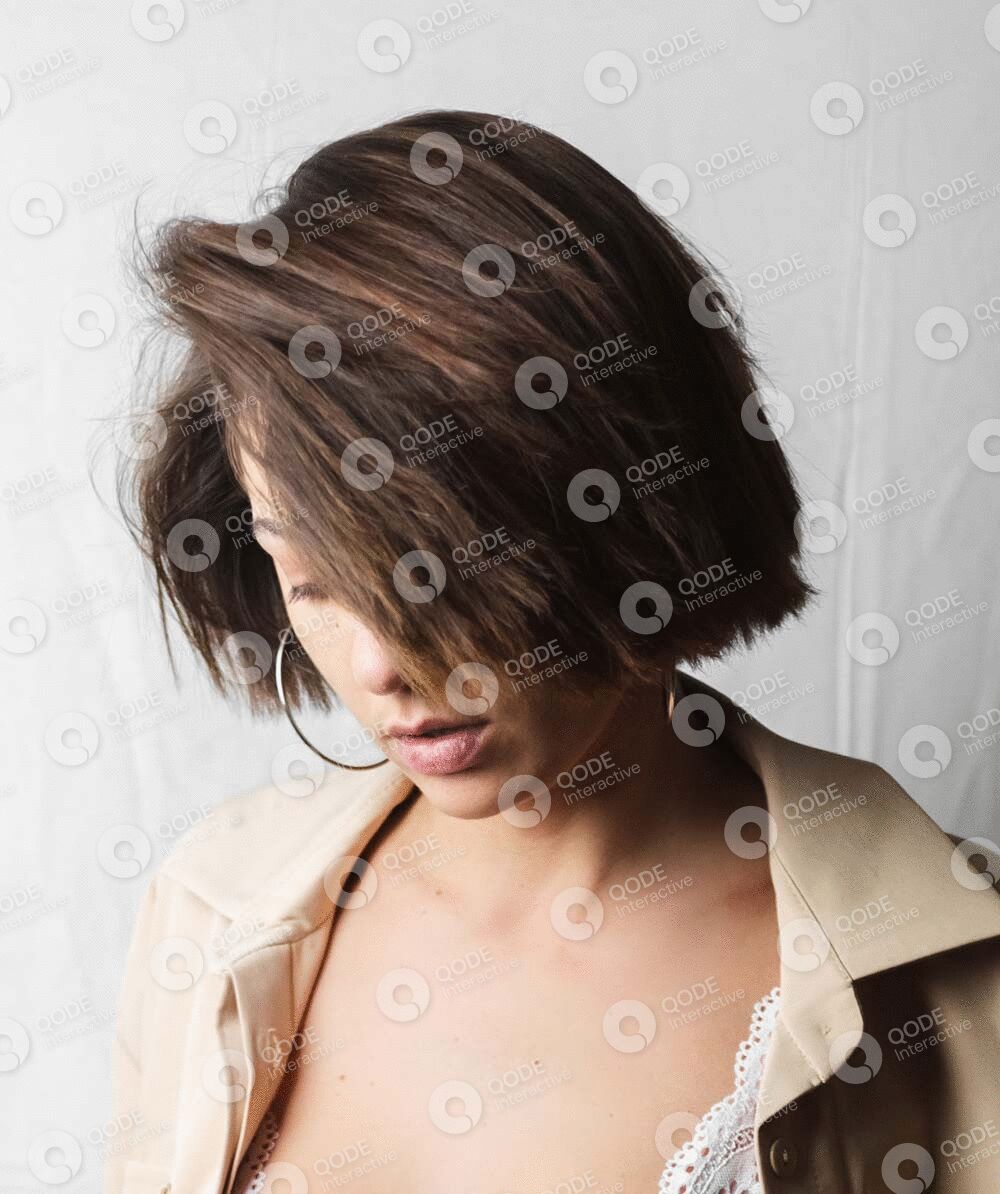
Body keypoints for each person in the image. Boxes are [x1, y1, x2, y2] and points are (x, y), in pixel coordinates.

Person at [108, 110, 1000, 1194]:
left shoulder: (947, 982)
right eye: (314, 581)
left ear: (634, 511)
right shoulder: (213, 910)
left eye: (446, 573)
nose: (383, 666)